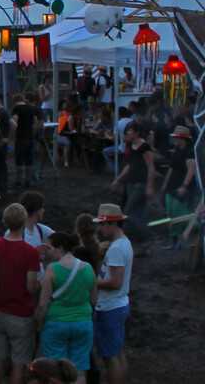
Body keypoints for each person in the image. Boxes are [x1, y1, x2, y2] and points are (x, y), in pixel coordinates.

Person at [0, 203, 40, 384]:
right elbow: (31, 287)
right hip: (21, 313)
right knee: (19, 362)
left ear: (4, 222)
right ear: (24, 222)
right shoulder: (30, 252)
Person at [34, 232, 94, 375]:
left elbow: (43, 304)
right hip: (83, 323)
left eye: (49, 248)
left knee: (55, 371)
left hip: (56, 324)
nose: (46, 251)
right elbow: (94, 300)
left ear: (59, 248)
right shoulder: (88, 268)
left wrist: (38, 324)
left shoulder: (52, 269)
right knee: (79, 371)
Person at [92, 203, 133, 384]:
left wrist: (91, 281)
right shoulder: (124, 243)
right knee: (118, 353)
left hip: (109, 307)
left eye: (102, 224)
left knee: (110, 358)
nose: (99, 228)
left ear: (112, 224)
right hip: (119, 304)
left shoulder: (116, 248)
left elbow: (115, 282)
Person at [109, 123, 154, 245]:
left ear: (136, 133)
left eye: (129, 131)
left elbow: (151, 167)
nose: (126, 134)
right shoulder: (129, 145)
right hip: (130, 183)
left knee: (128, 212)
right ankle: (137, 239)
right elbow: (129, 166)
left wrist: (150, 186)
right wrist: (118, 180)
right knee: (134, 212)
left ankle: (147, 236)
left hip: (141, 184)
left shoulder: (144, 147)